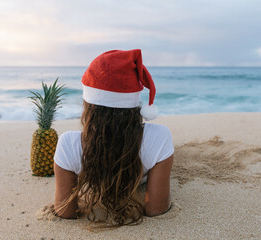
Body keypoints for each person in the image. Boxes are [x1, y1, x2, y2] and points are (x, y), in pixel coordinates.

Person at [53, 49, 174, 228]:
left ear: (88, 106)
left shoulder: (68, 145)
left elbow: (65, 212)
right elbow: (156, 209)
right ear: (134, 105)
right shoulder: (159, 138)